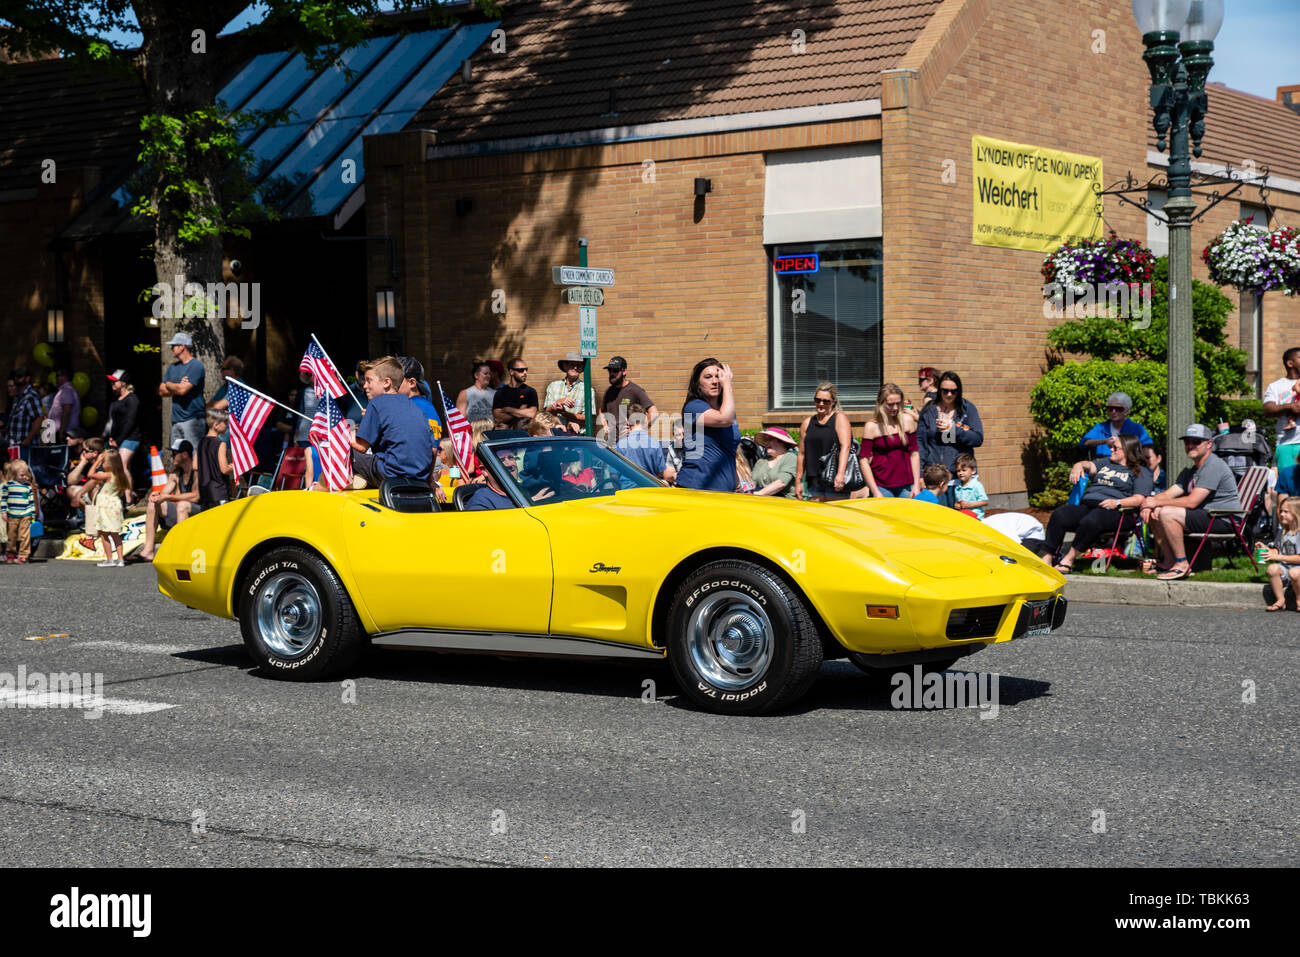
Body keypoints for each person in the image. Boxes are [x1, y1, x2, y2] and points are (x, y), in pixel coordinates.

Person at [1139, 424, 1242, 580]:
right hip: (1207, 515)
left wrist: (1156, 503)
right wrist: (1148, 503)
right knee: (1157, 512)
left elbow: (1192, 502)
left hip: (1224, 518)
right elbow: (1169, 494)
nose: (1190, 445)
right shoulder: (1191, 471)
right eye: (1187, 442)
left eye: (1196, 441)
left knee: (1167, 512)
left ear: (1209, 444)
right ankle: (1169, 561)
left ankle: (1182, 565)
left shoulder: (1213, 465)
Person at [1039, 435, 1154, 572]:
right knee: (1060, 514)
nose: (1110, 449)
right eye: (1110, 447)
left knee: (1092, 520)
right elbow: (1089, 466)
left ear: (1127, 450)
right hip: (1088, 506)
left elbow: (1139, 498)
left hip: (1118, 512)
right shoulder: (1106, 462)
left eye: (1114, 447)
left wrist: (1117, 502)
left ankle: (1069, 559)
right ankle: (1047, 558)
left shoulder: (1140, 471)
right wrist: (1078, 465)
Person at [351, 356, 434, 487]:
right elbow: (433, 450)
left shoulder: (377, 403)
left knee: (341, 450)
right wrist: (430, 481)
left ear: (386, 382)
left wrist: (344, 431)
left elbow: (361, 446)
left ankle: (326, 489)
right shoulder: (415, 408)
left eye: (369, 381)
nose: (365, 385)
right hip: (420, 478)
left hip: (391, 475)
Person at [917, 371, 983, 505]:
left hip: (960, 478)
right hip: (936, 480)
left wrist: (954, 430)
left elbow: (977, 438)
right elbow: (921, 443)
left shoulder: (967, 409)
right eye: (945, 391)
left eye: (953, 391)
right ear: (939, 389)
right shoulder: (929, 410)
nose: (949, 394)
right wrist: (920, 474)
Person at [676, 358, 739, 492]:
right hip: (696, 488)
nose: (715, 381)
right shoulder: (693, 407)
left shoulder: (728, 410)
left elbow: (729, 451)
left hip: (724, 490)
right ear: (698, 384)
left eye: (719, 377)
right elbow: (724, 419)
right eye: (708, 377)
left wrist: (736, 480)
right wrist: (728, 385)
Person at [137, 441, 200, 561]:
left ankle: (181, 551)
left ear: (185, 455)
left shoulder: (197, 471)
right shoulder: (176, 473)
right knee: (153, 503)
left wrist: (168, 497)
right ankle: (148, 550)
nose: (172, 457)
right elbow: (165, 493)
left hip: (199, 513)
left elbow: (195, 496)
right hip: (182, 512)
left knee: (182, 505)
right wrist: (157, 495)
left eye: (175, 453)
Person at [856, 383, 921, 499]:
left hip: (907, 484)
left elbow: (914, 454)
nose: (895, 408)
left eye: (898, 403)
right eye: (891, 404)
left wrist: (916, 485)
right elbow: (863, 460)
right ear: (881, 404)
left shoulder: (908, 420)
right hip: (881, 486)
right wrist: (874, 490)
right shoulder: (872, 426)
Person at [795, 381, 852, 501]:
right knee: (817, 517)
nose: (821, 404)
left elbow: (845, 447)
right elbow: (801, 454)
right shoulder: (807, 423)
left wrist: (841, 474)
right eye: (817, 400)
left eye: (826, 401)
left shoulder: (839, 419)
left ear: (833, 402)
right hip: (814, 479)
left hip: (834, 478)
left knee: (836, 515)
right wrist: (798, 481)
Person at [158, 332, 206, 451]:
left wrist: (169, 384)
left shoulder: (196, 366)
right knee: (177, 455)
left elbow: (183, 390)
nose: (171, 348)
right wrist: (176, 386)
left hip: (193, 419)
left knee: (194, 454)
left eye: (173, 345)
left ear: (182, 346)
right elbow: (161, 391)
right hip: (176, 419)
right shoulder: (172, 368)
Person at [1079, 392, 1153, 460]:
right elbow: (1084, 442)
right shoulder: (1100, 427)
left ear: (1127, 411)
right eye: (1110, 409)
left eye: (1118, 409)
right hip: (1103, 467)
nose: (1113, 412)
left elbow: (1148, 447)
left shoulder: (1137, 429)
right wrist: (1105, 441)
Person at [1262, 347, 1300, 474]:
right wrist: (1289, 407)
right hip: (1286, 444)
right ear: (1290, 363)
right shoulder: (1275, 386)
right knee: (1287, 486)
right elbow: (1268, 409)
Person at [88, 449, 128, 567]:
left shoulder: (108, 475)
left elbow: (90, 475)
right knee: (115, 534)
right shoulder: (120, 476)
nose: (102, 464)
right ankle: (120, 559)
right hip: (115, 506)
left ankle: (110, 559)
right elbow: (120, 493)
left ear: (110, 464)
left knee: (104, 533)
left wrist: (96, 462)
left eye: (103, 462)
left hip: (105, 507)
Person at [1259, 498, 1300, 611]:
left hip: (1298, 571)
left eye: (1286, 512)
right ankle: (1281, 600)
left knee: (1294, 572)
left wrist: (1277, 557)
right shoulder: (1282, 532)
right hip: (1286, 570)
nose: (1281, 514)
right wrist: (1267, 550)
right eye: (1281, 511)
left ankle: (1299, 600)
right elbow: (1278, 550)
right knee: (1272, 568)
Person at [615, 403, 674, 482]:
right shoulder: (654, 444)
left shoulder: (620, 445)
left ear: (627, 421)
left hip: (627, 491)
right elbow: (660, 472)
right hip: (649, 490)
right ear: (645, 419)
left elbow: (614, 474)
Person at [602, 356, 658, 437]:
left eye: (615, 370)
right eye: (609, 370)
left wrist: (638, 430)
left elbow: (654, 413)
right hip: (611, 444)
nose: (611, 373)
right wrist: (605, 424)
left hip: (630, 443)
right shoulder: (608, 392)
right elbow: (602, 410)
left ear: (624, 371)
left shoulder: (635, 390)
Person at [104, 369, 142, 483]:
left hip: (131, 437)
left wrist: (119, 440)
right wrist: (110, 437)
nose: (112, 384)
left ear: (123, 383)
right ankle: (127, 495)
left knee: (122, 466)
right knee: (124, 468)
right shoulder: (115, 401)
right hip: (117, 439)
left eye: (114, 381)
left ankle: (129, 499)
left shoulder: (132, 399)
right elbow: (112, 422)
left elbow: (130, 422)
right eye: (111, 382)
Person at [545, 353, 597, 434]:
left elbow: (589, 419)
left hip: (577, 435)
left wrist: (564, 413)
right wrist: (558, 402)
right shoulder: (553, 386)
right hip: (555, 434)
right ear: (565, 366)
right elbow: (546, 413)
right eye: (572, 364)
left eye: (578, 365)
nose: (575, 367)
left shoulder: (588, 390)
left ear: (581, 368)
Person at [2, 458, 38, 563]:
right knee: (11, 535)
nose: (25, 477)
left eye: (25, 475)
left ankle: (24, 554)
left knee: (25, 535)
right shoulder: (8, 486)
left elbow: (31, 501)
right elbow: (4, 500)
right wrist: (3, 512)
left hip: (25, 514)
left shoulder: (28, 487)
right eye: (21, 475)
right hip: (12, 514)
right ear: (14, 474)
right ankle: (10, 553)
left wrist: (32, 513)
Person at [197, 412, 234, 508]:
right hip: (219, 492)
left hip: (204, 492)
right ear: (216, 425)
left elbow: (194, 465)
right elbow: (224, 469)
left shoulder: (201, 442)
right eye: (225, 423)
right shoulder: (220, 444)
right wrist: (235, 466)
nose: (227, 426)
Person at [751, 428, 798, 497]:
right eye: (765, 440)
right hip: (761, 500)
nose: (765, 443)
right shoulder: (761, 461)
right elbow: (752, 482)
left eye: (769, 439)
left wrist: (759, 494)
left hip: (785, 502)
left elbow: (781, 483)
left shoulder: (790, 457)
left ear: (781, 442)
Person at [492, 357, 539, 428]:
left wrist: (508, 409)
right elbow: (498, 418)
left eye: (526, 369)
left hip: (525, 432)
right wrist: (521, 411)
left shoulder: (530, 391)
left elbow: (532, 413)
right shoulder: (500, 392)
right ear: (511, 372)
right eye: (521, 370)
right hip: (505, 434)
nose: (525, 372)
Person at [7, 368, 43, 451]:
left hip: (25, 447)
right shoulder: (18, 397)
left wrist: (28, 439)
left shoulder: (31, 396)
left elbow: (39, 418)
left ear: (27, 378)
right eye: (15, 376)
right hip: (14, 445)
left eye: (19, 376)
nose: (16, 379)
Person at [47, 368, 81, 441]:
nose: (56, 378)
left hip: (65, 432)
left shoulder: (67, 390)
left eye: (57, 376)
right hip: (61, 431)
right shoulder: (64, 390)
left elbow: (66, 411)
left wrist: (62, 431)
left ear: (65, 377)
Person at [952, 453, 989, 519]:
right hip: (963, 517)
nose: (960, 473)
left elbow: (985, 502)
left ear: (973, 471)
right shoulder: (957, 487)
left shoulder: (977, 485)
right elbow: (958, 502)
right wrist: (956, 505)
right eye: (958, 471)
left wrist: (970, 505)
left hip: (976, 518)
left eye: (964, 470)